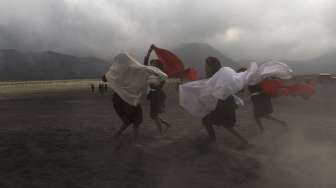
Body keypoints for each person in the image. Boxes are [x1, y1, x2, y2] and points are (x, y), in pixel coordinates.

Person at [103, 53, 167, 141]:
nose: (151, 65)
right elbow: (161, 77)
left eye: (153, 64)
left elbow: (105, 78)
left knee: (132, 119)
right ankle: (132, 139)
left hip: (124, 98)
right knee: (135, 118)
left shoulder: (140, 70)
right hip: (128, 99)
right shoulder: (143, 70)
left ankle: (121, 135)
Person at [202, 57, 248, 145]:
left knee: (206, 121)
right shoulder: (219, 74)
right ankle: (244, 141)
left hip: (224, 103)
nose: (205, 67)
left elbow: (211, 88)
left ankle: (212, 139)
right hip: (225, 103)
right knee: (224, 124)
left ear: (211, 66)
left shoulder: (221, 74)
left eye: (206, 65)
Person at [146, 59, 171, 135]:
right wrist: (149, 52)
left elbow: (160, 85)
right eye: (151, 64)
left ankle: (161, 133)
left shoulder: (160, 74)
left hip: (157, 95)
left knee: (154, 115)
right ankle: (167, 124)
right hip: (154, 95)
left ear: (158, 65)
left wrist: (154, 86)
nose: (151, 65)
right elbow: (145, 64)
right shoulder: (152, 73)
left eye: (153, 64)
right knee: (153, 115)